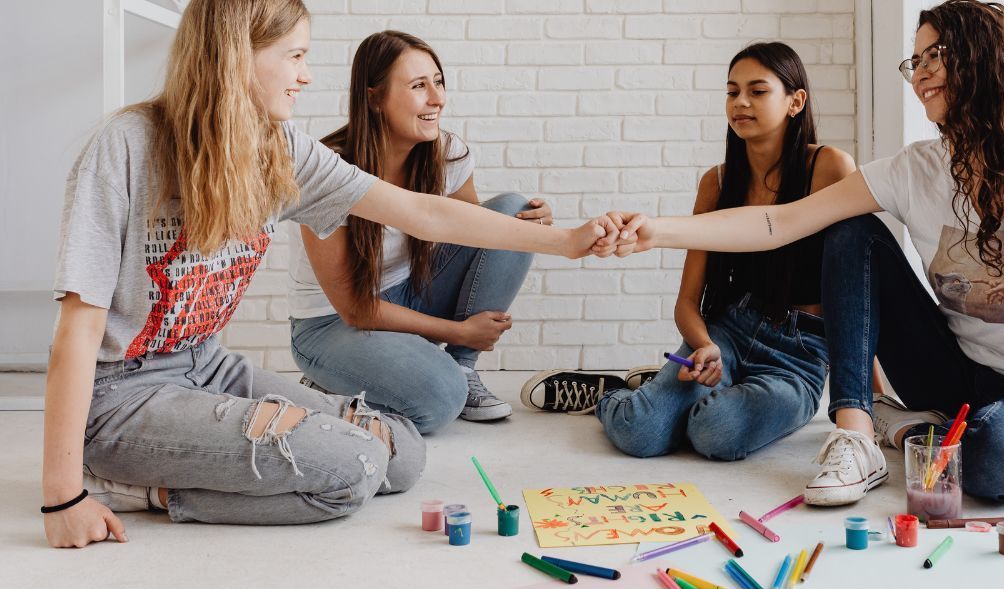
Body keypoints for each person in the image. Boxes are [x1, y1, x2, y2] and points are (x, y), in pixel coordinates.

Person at [43, 0, 618, 548]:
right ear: (237, 53)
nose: (307, 75)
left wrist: (568, 242)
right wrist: (62, 500)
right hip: (120, 394)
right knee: (352, 468)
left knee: (403, 453)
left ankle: (193, 463)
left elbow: (424, 213)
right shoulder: (127, 145)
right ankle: (134, 488)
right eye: (295, 56)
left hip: (208, 364)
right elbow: (78, 330)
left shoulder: (280, 148)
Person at [606, 0, 1004, 504]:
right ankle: (858, 434)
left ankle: (923, 429)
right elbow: (778, 223)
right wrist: (656, 230)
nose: (920, 74)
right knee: (851, 231)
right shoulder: (917, 168)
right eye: (915, 61)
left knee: (994, 460)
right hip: (949, 371)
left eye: (934, 55)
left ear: (986, 58)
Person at [521, 43, 880, 464]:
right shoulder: (717, 183)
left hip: (798, 358)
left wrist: (873, 400)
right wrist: (704, 345)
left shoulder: (830, 167)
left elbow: (860, 293)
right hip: (728, 333)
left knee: (715, 432)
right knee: (639, 431)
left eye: (757, 91)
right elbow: (688, 302)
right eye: (732, 92)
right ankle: (615, 395)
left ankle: (658, 390)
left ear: (795, 101)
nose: (740, 102)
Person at [288, 31, 554, 429]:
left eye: (438, 82)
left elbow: (478, 238)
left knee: (512, 213)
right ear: (375, 98)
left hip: (410, 292)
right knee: (439, 399)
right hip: (332, 323)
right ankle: (334, 381)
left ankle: (462, 368)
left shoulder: (447, 154)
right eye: (418, 86)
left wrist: (533, 227)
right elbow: (355, 308)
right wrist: (459, 330)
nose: (437, 98)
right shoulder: (327, 171)